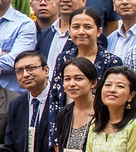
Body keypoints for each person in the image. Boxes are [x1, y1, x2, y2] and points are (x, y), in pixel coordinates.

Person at [41, 10, 121, 141]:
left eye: (88, 27)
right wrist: (55, 139)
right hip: (66, 127)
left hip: (98, 130)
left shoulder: (111, 61)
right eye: (76, 27)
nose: (81, 32)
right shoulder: (63, 58)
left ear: (99, 31)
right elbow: (54, 98)